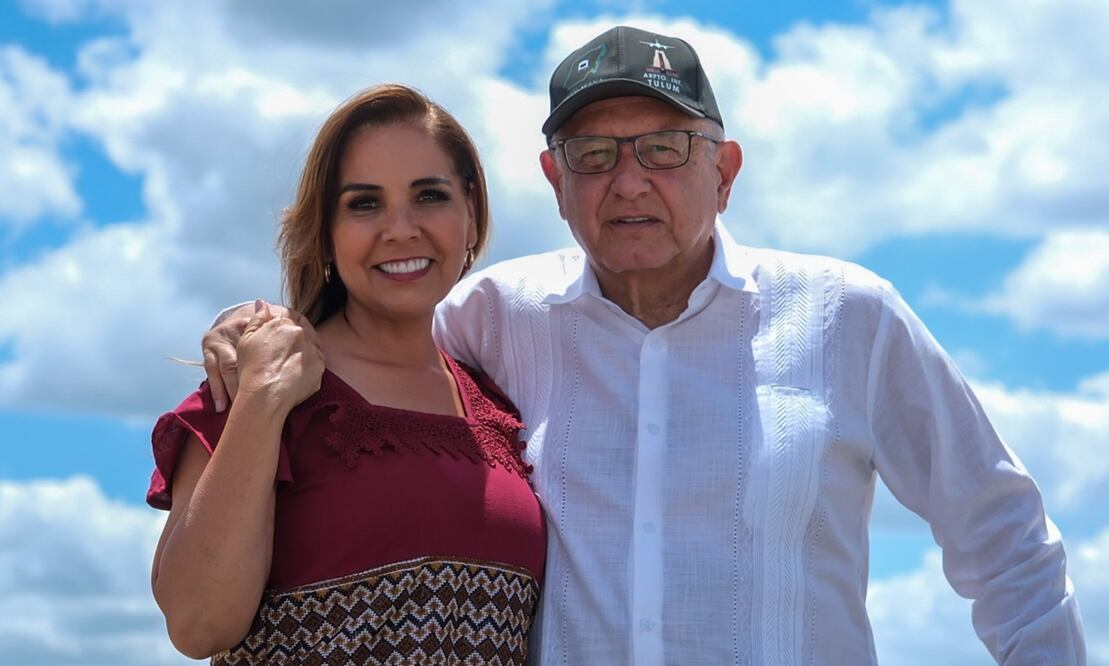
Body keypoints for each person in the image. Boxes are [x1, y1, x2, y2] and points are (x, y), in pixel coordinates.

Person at [202, 26, 1086, 665]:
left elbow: (1005, 537)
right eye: (592, 154)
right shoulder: (490, 319)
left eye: (664, 149)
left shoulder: (846, 317)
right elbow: (364, 341)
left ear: (724, 170)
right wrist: (255, 332)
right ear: (553, 181)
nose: (627, 183)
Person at [147, 84, 545, 664]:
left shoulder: (501, 407)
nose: (400, 228)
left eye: (429, 196)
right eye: (364, 203)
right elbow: (198, 624)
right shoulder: (254, 382)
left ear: (472, 215)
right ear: (326, 234)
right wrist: (263, 400)